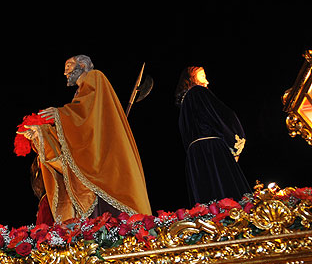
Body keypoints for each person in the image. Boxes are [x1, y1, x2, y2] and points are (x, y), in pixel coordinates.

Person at [19, 55, 151, 223]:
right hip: (94, 159)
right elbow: (76, 136)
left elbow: (87, 115)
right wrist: (41, 133)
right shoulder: (80, 95)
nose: (65, 71)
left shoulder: (95, 77)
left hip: (104, 162)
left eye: (69, 65)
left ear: (82, 64)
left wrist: (60, 113)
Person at [175, 66, 250, 205]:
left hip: (195, 158)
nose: (207, 82)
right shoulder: (198, 92)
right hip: (212, 150)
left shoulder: (184, 105)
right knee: (226, 192)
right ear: (192, 78)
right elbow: (222, 116)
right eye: (203, 76)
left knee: (208, 197)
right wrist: (234, 140)